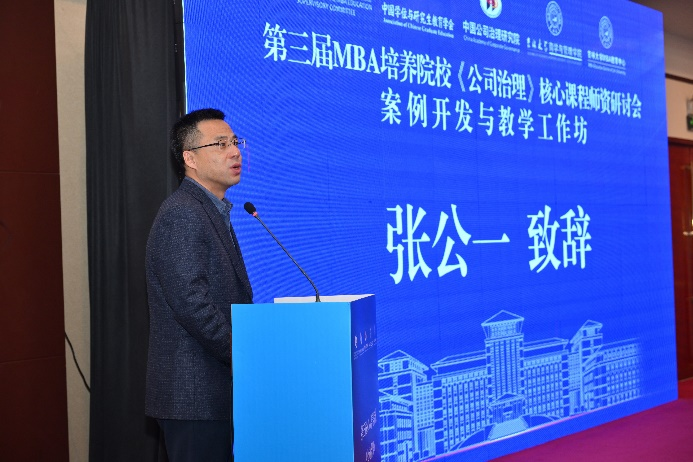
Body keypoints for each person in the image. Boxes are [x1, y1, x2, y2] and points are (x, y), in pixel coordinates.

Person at [145, 108, 253, 461]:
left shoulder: (211, 210)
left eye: (235, 142)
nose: (234, 151)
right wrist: (246, 354)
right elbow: (192, 303)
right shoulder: (183, 213)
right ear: (189, 158)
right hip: (194, 394)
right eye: (220, 144)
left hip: (213, 393)